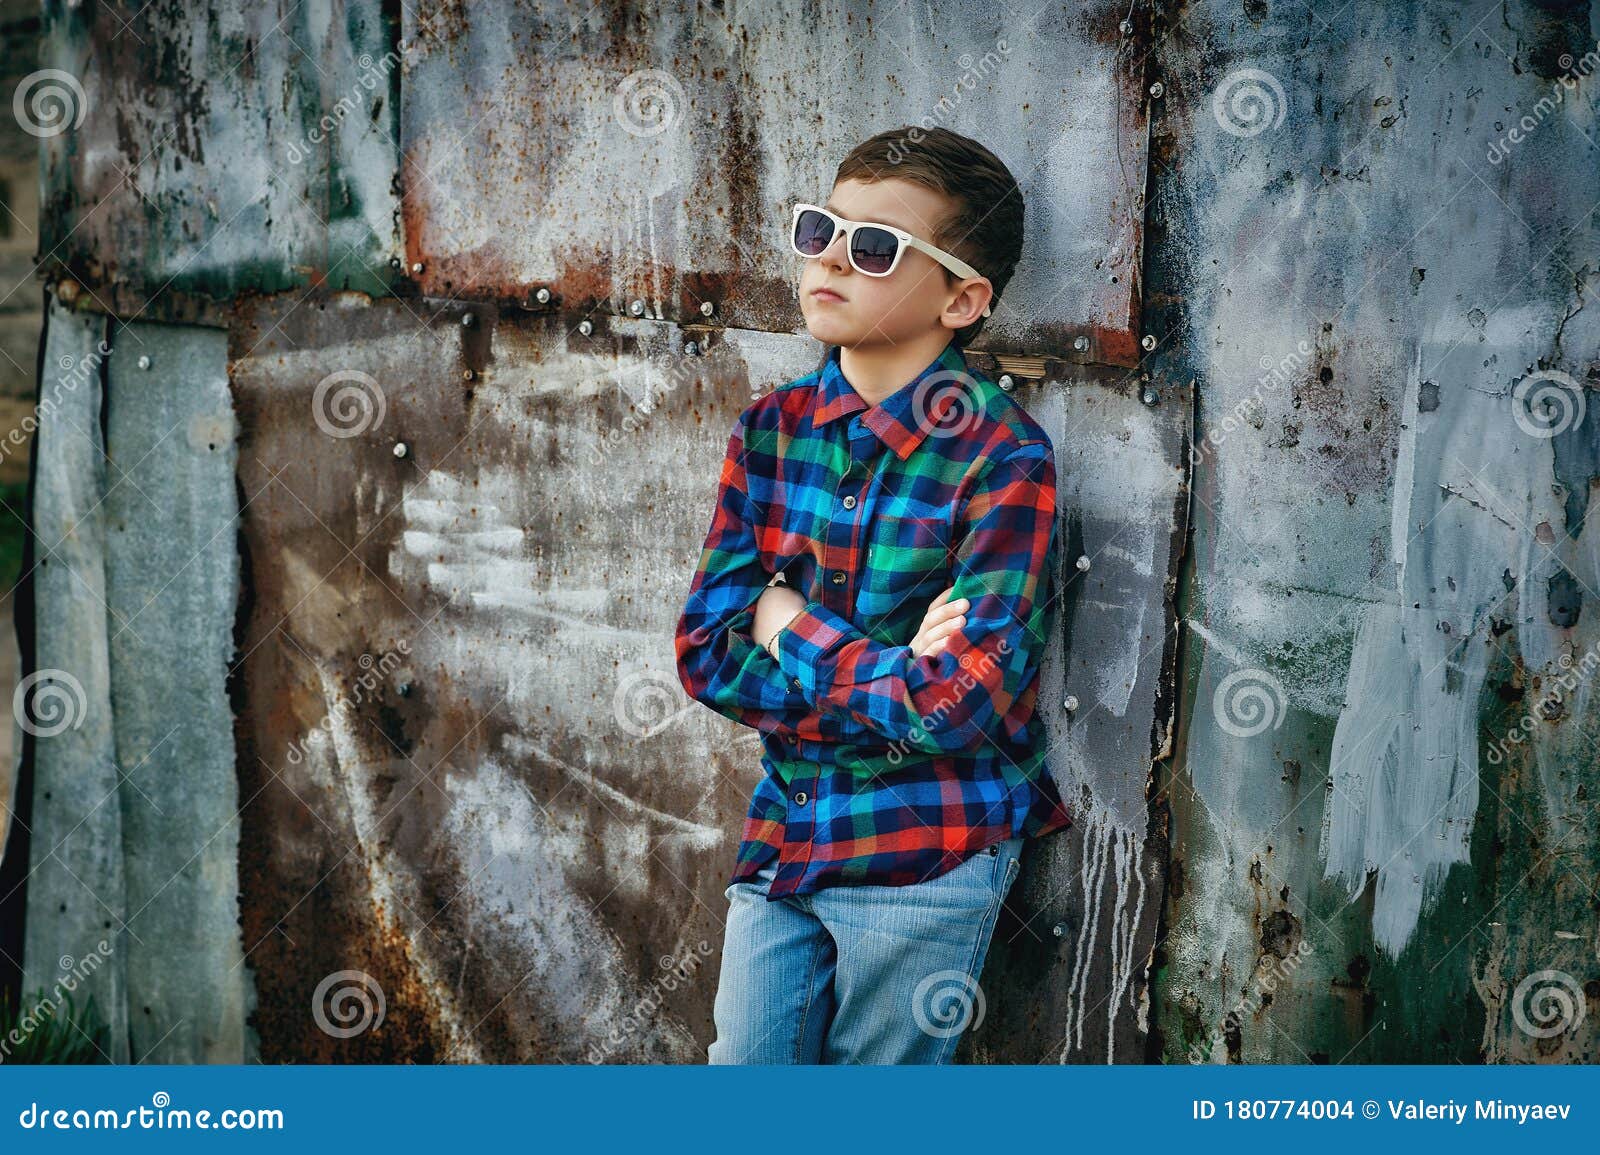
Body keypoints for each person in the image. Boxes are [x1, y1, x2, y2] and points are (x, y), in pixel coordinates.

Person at [672, 125, 1075, 1064]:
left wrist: (787, 623)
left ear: (962, 299)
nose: (830, 261)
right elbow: (703, 651)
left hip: (923, 853)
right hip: (788, 833)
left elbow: (955, 710)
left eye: (877, 247)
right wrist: (890, 673)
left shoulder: (1003, 458)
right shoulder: (770, 431)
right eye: (821, 229)